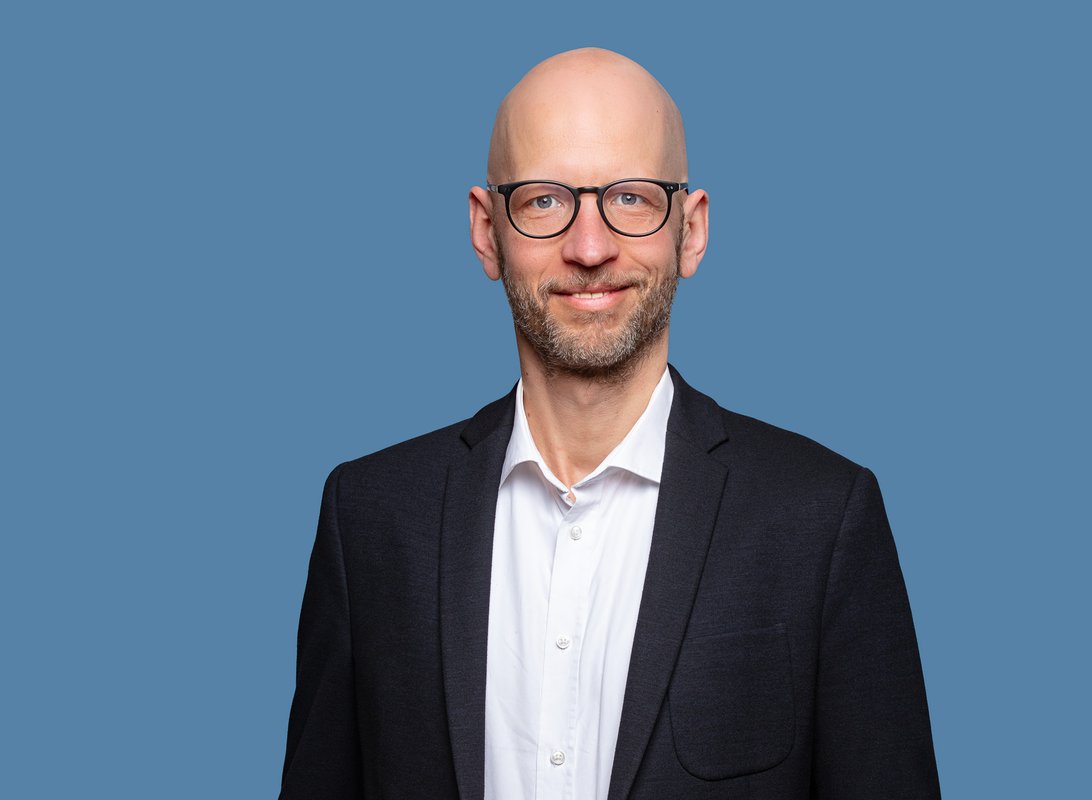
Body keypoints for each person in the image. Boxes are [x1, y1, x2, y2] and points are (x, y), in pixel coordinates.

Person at [280, 48, 940, 800]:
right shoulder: (369, 519)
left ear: (691, 230)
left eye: (631, 198)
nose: (589, 248)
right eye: (543, 200)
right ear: (486, 231)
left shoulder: (822, 519)